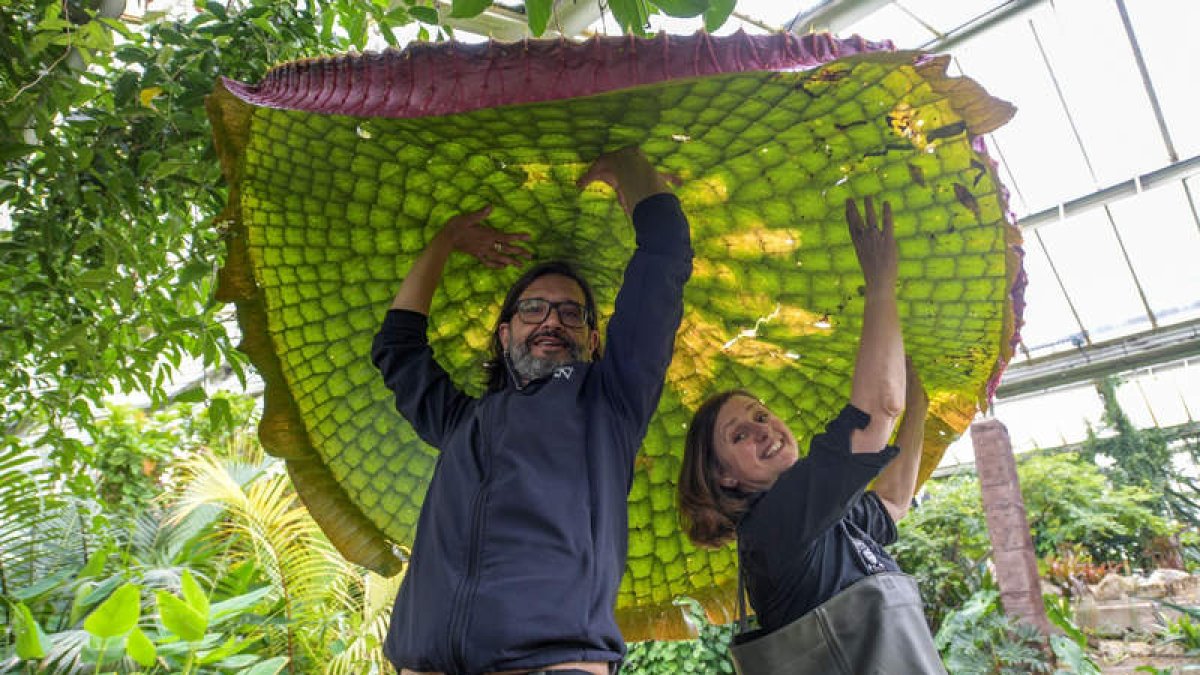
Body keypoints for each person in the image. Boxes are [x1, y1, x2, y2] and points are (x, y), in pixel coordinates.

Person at [371, 146, 692, 675]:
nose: (551, 321)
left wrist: (630, 167)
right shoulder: (460, 423)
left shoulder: (612, 402)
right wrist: (446, 239)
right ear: (504, 334)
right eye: (532, 309)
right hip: (423, 662)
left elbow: (665, 254)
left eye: (571, 313)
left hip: (554, 662)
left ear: (593, 339)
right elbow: (397, 349)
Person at [677, 198, 945, 674]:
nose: (764, 430)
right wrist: (881, 283)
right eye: (741, 434)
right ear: (725, 478)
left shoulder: (823, 518)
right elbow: (877, 410)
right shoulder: (775, 525)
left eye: (761, 415)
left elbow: (893, 502)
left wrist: (920, 405)